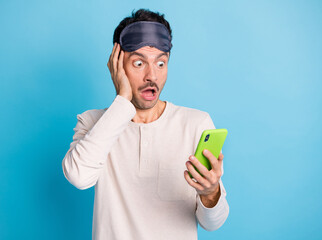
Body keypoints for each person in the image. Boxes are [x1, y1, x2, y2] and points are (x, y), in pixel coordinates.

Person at [62, 8, 229, 240]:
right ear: (117, 65)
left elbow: (213, 223)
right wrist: (122, 101)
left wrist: (211, 193)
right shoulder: (92, 122)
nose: (152, 76)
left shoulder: (196, 124)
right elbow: (78, 177)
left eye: (160, 63)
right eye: (139, 63)